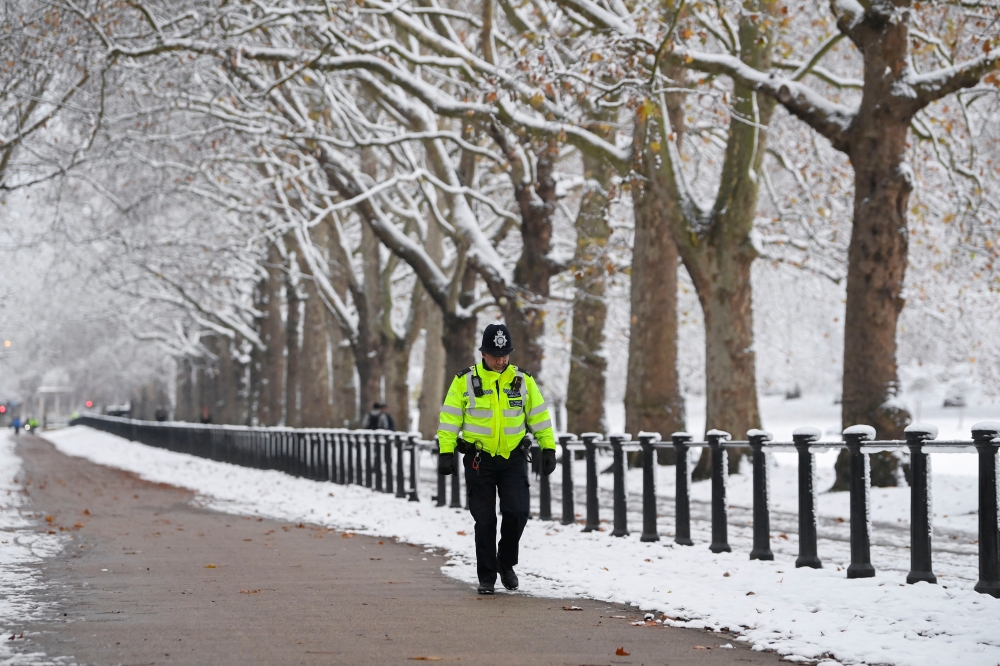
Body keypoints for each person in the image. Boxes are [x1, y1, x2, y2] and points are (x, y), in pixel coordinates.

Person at [436, 323, 557, 595]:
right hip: (480, 460)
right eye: (495, 354)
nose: (501, 360)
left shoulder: (522, 380)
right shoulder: (465, 381)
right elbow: (450, 418)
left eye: (505, 354)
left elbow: (538, 416)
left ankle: (505, 561)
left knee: (517, 512)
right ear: (483, 353)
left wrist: (548, 447)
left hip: (513, 458)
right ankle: (487, 577)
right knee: (485, 519)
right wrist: (446, 451)